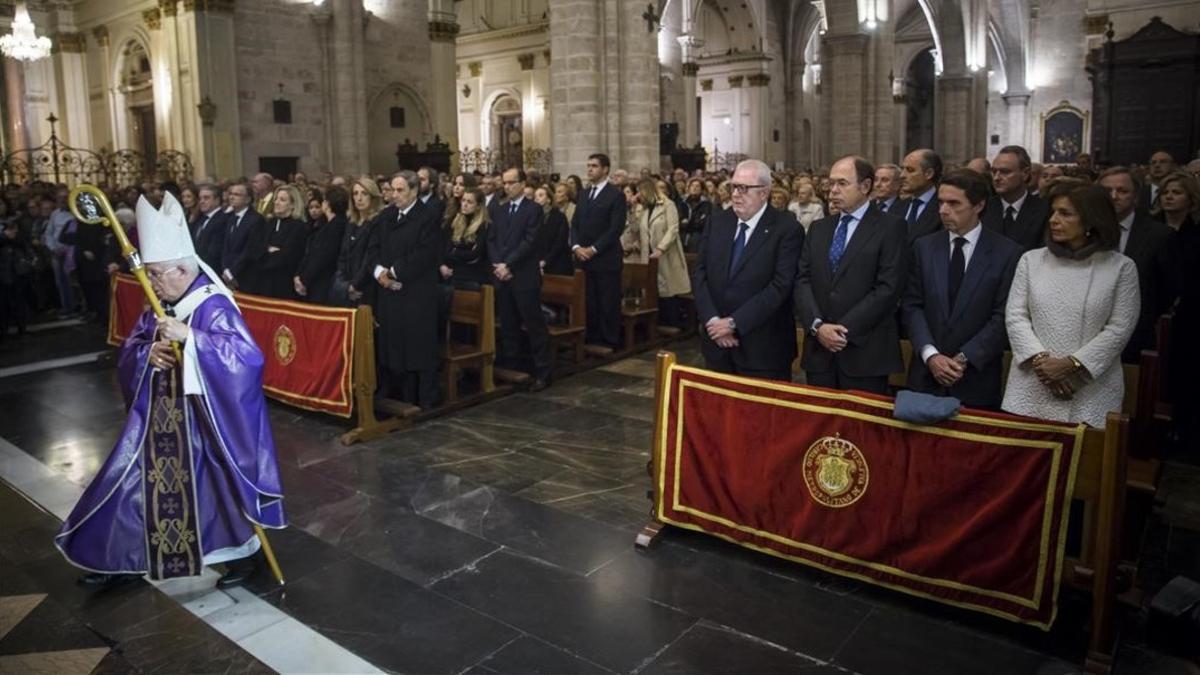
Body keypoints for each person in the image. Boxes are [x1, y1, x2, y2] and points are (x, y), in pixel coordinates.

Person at [55, 192, 286, 588]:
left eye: (158, 274)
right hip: (159, 417)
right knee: (131, 479)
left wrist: (191, 339)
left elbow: (246, 360)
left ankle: (244, 560)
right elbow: (134, 346)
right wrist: (150, 353)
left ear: (182, 270)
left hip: (203, 421)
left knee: (217, 488)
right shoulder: (161, 300)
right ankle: (121, 558)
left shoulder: (213, 305)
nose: (153, 284)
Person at [1002, 180, 1139, 427]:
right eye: (1053, 212)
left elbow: (1120, 328)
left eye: (1065, 213)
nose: (1053, 219)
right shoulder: (1031, 261)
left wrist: (1072, 365)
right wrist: (1042, 363)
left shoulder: (1121, 268)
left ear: (1090, 220)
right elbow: (1015, 316)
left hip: (1090, 386)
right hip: (1033, 382)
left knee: (1085, 461)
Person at [901, 169, 1023, 409]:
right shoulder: (924, 247)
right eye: (941, 202)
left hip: (976, 376)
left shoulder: (1007, 253)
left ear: (978, 205)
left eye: (954, 203)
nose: (943, 210)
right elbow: (912, 305)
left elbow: (1003, 316)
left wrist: (964, 358)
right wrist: (931, 355)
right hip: (925, 375)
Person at [795, 156, 908, 394]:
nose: (833, 190)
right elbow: (802, 280)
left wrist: (841, 330)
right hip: (819, 351)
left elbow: (888, 288)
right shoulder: (820, 228)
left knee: (859, 429)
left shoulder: (890, 227)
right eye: (831, 183)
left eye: (842, 183)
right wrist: (818, 326)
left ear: (865, 186)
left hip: (865, 351)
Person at [693, 159, 803, 381]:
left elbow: (781, 286)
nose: (735, 194)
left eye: (744, 189)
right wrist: (714, 321)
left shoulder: (787, 228)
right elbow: (700, 273)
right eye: (733, 187)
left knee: (761, 415)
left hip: (763, 349)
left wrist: (734, 324)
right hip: (717, 345)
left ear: (764, 192)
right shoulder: (718, 222)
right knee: (720, 413)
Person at [368, 171, 442, 409]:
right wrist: (380, 272)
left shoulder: (428, 216)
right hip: (390, 293)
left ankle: (427, 400)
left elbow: (424, 253)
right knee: (395, 346)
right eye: (393, 190)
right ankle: (403, 397)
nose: (395, 195)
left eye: (400, 191)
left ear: (414, 191)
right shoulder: (387, 216)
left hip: (417, 293)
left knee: (418, 347)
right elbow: (374, 248)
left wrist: (394, 272)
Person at [1097, 167, 1176, 363]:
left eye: (1122, 191)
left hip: (1136, 336)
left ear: (1136, 196)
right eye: (1107, 191)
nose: (1114, 196)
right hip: (1090, 335)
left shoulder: (1159, 235)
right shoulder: (1085, 230)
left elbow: (1166, 291)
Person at [488, 168, 552, 389]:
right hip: (503, 276)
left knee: (534, 325)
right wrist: (498, 264)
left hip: (524, 276)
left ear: (523, 184)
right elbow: (492, 239)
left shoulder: (533, 209)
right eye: (504, 183)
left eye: (511, 183)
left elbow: (530, 241)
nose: (507, 187)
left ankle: (543, 372)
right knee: (508, 325)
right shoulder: (499, 210)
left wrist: (509, 264)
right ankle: (512, 371)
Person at [571, 153, 626, 350]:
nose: (589, 169)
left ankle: (609, 339)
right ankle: (591, 337)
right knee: (589, 301)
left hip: (605, 258)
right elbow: (575, 224)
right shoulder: (584, 194)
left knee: (607, 301)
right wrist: (577, 247)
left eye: (594, 166)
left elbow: (615, 228)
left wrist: (593, 249)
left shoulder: (616, 195)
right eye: (588, 166)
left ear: (605, 169)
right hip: (583, 258)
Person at [639, 178, 691, 329]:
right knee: (653, 288)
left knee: (668, 289)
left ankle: (672, 323)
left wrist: (661, 248)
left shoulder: (668, 205)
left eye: (641, 192)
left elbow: (673, 229)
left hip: (665, 254)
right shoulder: (646, 208)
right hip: (648, 254)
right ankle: (656, 322)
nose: (639, 195)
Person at [981, 145, 1050, 251]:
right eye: (994, 171)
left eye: (1005, 172)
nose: (996, 178)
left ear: (1025, 173)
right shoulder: (982, 208)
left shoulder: (1045, 209)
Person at [246, 185, 307, 298]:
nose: (277, 202)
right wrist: (268, 250)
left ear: (293, 204)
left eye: (282, 200)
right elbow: (255, 249)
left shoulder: (299, 227)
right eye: (276, 199)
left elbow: (288, 255)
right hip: (263, 280)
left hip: (284, 282)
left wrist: (266, 252)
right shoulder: (269, 223)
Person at [334, 176, 384, 307]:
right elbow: (343, 256)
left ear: (372, 197)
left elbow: (370, 259)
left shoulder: (377, 222)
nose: (359, 198)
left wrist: (354, 285)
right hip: (347, 287)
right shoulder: (351, 223)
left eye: (364, 193)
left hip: (367, 288)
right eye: (355, 193)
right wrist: (344, 285)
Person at [295, 185, 347, 304]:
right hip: (316, 281)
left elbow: (323, 256)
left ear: (328, 203)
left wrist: (304, 279)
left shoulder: (337, 226)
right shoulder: (326, 224)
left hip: (324, 282)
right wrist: (299, 275)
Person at [220, 182, 267, 292]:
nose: (231, 197)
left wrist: (233, 273)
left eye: (237, 194)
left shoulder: (256, 220)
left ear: (248, 199)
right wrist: (226, 270)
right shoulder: (231, 219)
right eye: (231, 194)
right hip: (228, 275)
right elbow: (226, 247)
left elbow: (250, 250)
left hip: (246, 277)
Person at [443, 187, 491, 289]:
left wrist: (455, 251)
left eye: (469, 202)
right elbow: (445, 249)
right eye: (463, 200)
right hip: (452, 271)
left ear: (478, 206)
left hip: (472, 275)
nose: (464, 204)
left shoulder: (484, 226)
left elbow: (474, 255)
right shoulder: (455, 221)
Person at [896, 149, 944, 243]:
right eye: (902, 169)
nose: (902, 175)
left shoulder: (943, 207)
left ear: (929, 173)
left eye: (910, 170)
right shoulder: (896, 207)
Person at [533, 185, 573, 277]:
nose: (537, 199)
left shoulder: (559, 217)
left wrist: (545, 261)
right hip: (538, 263)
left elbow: (560, 242)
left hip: (557, 263)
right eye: (535, 197)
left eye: (541, 195)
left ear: (549, 199)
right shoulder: (533, 218)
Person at [191, 183, 228, 274]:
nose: (201, 201)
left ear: (217, 200)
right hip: (198, 270)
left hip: (211, 272)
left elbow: (215, 252)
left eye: (206, 198)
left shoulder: (223, 219)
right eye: (200, 198)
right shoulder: (201, 219)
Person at [620, 183, 650, 264]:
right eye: (623, 192)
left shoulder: (642, 210)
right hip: (621, 249)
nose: (624, 194)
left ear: (635, 194)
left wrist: (632, 209)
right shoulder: (619, 209)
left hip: (634, 251)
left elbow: (637, 229)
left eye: (628, 192)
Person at [680, 178, 712, 253]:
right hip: (683, 235)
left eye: (697, 186)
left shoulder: (706, 205)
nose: (694, 188)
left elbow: (702, 223)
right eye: (692, 186)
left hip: (698, 236)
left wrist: (688, 223)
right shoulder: (682, 203)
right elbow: (679, 219)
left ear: (702, 189)